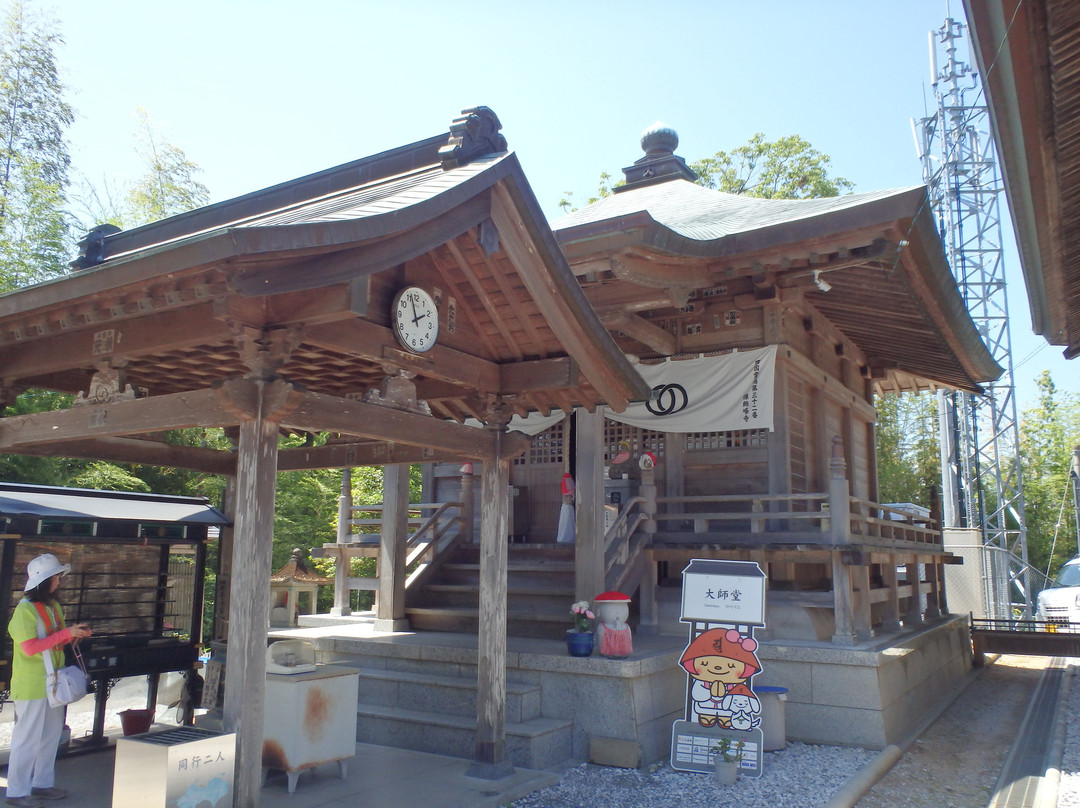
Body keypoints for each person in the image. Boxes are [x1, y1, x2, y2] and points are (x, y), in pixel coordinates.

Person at [6, 554, 91, 807]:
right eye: (56, 577)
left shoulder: (52, 607)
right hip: (32, 684)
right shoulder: (24, 610)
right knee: (27, 738)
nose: (59, 581)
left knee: (51, 735)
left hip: (54, 681)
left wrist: (73, 634)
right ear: (43, 581)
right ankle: (17, 792)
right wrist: (66, 633)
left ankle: (42, 784)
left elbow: (54, 640)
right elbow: (31, 648)